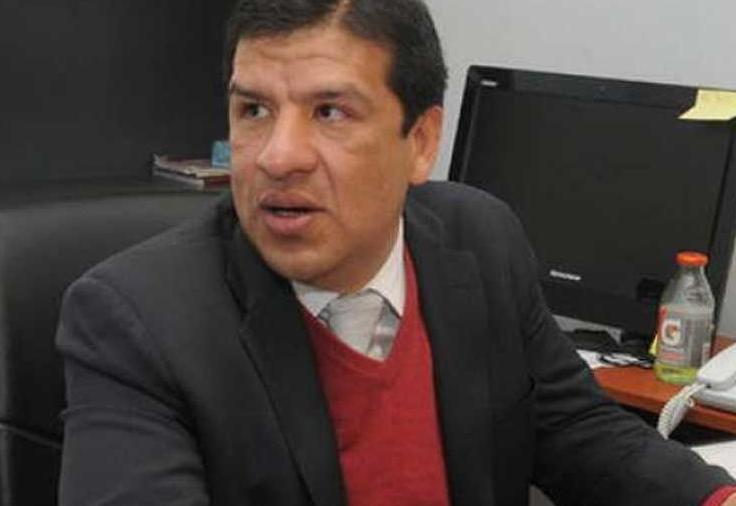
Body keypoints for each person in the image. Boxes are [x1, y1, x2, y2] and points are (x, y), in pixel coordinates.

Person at [56, 0, 736, 505]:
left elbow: (577, 432)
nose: (277, 157)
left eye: (330, 112)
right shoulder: (136, 322)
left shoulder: (479, 239)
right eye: (253, 110)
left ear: (421, 142)